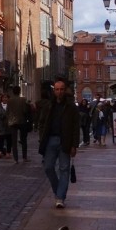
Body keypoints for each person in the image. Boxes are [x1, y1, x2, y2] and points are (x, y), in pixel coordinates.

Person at [39, 77, 79, 208]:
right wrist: (42, 138)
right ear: (54, 91)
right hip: (50, 139)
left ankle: (60, 197)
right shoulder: (49, 105)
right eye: (57, 89)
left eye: (62, 89)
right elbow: (42, 122)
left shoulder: (71, 107)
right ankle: (58, 191)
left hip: (65, 140)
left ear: (65, 90)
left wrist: (74, 145)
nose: (59, 92)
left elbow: (75, 126)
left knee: (64, 169)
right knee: (48, 167)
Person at [6, 85, 31, 163]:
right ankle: (24, 157)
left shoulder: (9, 100)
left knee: (14, 141)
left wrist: (9, 119)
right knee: (23, 140)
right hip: (22, 121)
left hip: (13, 122)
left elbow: (7, 111)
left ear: (13, 92)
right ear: (19, 91)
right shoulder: (23, 100)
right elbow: (25, 110)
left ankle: (16, 159)